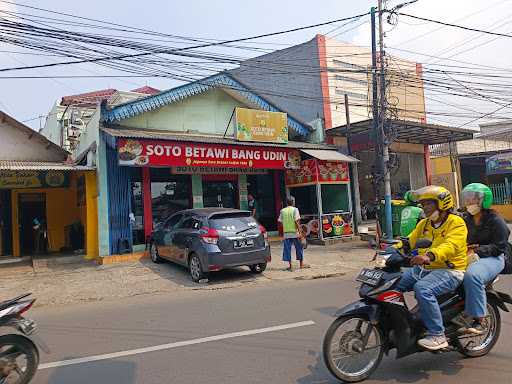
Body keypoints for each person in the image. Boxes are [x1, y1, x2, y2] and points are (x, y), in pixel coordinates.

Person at [395, 186, 468, 351]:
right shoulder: (424, 223)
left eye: (429, 203)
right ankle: (402, 324)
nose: (424, 207)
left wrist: (430, 255)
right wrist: (392, 250)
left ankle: (438, 335)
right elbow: (409, 241)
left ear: (442, 204)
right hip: (425, 268)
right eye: (423, 204)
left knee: (423, 289)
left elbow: (451, 245)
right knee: (394, 283)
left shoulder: (456, 223)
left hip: (450, 270)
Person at [452, 183, 509, 335]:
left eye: (473, 199)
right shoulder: (466, 219)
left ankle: (479, 319)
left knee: (473, 275)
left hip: (493, 258)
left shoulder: (496, 220)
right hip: (469, 255)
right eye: (468, 198)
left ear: (484, 200)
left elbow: (500, 246)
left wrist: (477, 250)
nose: (469, 202)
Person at [278, 196, 304, 271]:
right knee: (299, 248)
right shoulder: (295, 210)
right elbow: (297, 222)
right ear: (293, 202)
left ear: (286, 203)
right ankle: (301, 264)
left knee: (287, 249)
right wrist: (300, 232)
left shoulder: (282, 211)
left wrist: (284, 227)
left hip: (286, 233)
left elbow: (280, 221)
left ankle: (290, 266)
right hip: (295, 233)